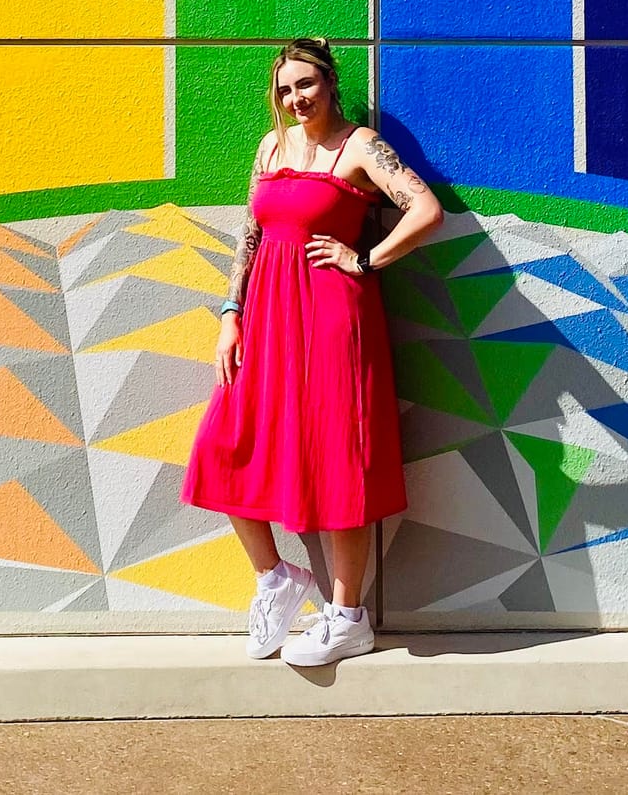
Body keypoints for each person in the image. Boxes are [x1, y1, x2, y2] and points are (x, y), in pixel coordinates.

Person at [181, 38, 444, 666]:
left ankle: (347, 617)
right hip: (266, 316)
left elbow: (426, 210)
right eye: (286, 89)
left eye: (307, 84)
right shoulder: (271, 147)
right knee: (225, 445)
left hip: (334, 318)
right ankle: (276, 579)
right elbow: (250, 233)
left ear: (329, 83)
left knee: (336, 456)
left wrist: (367, 259)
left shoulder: (360, 147)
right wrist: (230, 314)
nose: (297, 98)